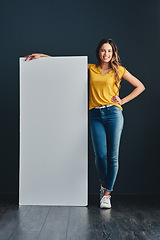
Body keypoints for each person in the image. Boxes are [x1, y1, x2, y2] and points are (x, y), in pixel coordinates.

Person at [24, 38, 145, 209]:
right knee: (100, 156)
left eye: (109, 51)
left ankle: (107, 194)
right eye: (103, 50)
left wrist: (122, 101)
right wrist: (42, 57)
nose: (106, 54)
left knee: (113, 156)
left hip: (113, 114)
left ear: (113, 53)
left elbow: (140, 86)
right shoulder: (91, 68)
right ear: (99, 52)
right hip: (95, 114)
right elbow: (65, 65)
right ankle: (103, 185)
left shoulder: (119, 70)